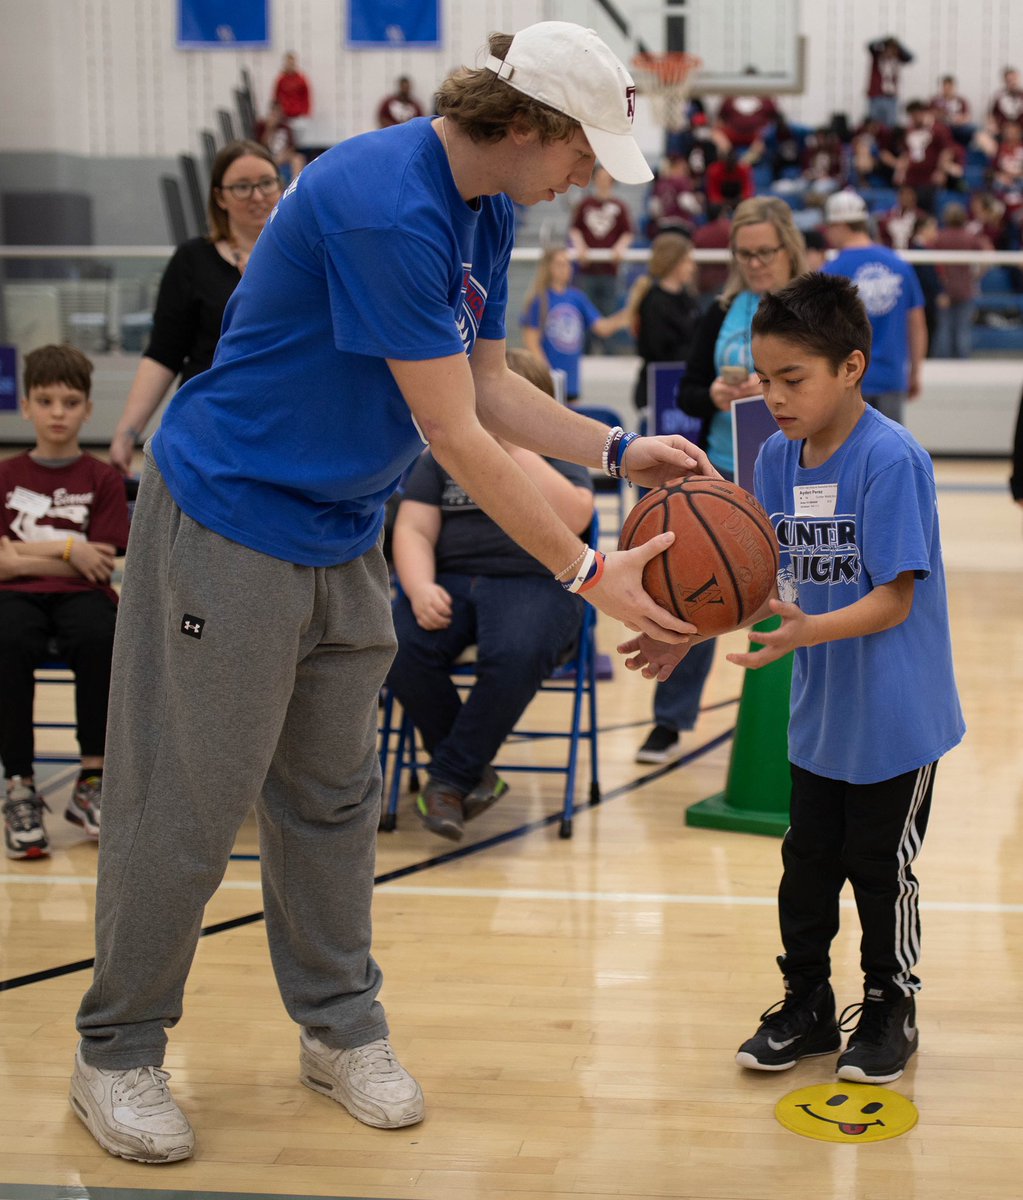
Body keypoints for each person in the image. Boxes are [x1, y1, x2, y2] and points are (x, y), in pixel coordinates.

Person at [70, 20, 716, 1166]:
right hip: (229, 516)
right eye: (580, 155)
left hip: (338, 527)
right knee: (186, 808)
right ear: (527, 127)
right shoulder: (386, 200)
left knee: (330, 799)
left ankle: (339, 1030)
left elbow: (489, 388)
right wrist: (588, 571)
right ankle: (116, 1053)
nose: (582, 182)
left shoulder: (492, 201)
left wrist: (617, 452)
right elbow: (457, 438)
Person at [622, 272, 965, 1085]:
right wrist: (685, 635)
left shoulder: (890, 458)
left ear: (850, 367)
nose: (771, 396)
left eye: (791, 380)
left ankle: (889, 1004)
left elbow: (892, 597)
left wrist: (806, 629)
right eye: (764, 378)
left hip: (896, 714)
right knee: (806, 860)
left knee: (881, 868)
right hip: (819, 711)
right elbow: (752, 581)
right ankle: (806, 1003)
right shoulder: (774, 456)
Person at [387, 349, 595, 841]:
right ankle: (465, 775)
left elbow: (577, 518)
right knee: (397, 643)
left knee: (516, 651)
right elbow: (414, 530)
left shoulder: (560, 457)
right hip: (452, 581)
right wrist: (418, 588)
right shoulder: (440, 458)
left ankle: (451, 779)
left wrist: (517, 451)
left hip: (539, 581)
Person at [636, 197, 805, 763]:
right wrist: (712, 395)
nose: (756, 263)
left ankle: (788, 731)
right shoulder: (722, 310)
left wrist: (778, 390)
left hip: (792, 469)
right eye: (745, 253)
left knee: (791, 590)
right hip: (723, 467)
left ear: (789, 249)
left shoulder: (811, 307)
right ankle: (670, 720)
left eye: (766, 252)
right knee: (697, 587)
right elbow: (686, 388)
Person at [0, 346, 130, 859]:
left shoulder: (101, 480)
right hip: (14, 599)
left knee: (101, 634)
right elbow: (4, 568)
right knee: (6, 639)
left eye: (71, 402)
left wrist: (21, 556)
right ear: (27, 405)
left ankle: (90, 782)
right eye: (46, 400)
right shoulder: (6, 476)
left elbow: (103, 564)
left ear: (88, 409)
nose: (58, 412)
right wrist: (68, 547)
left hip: (83, 596)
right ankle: (20, 787)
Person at [108, 140, 282, 474]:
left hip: (278, 422)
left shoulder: (303, 259)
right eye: (242, 187)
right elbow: (164, 353)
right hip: (208, 425)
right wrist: (126, 432)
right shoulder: (192, 260)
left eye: (266, 182)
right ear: (220, 196)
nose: (257, 196)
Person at [822, 188, 927, 425]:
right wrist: (915, 371)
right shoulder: (900, 266)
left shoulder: (831, 272)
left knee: (850, 455)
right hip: (892, 376)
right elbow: (917, 324)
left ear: (839, 225)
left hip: (848, 380)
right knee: (890, 452)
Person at [520, 247, 630, 400]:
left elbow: (602, 328)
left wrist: (628, 313)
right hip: (547, 383)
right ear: (548, 267)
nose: (566, 269)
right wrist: (549, 376)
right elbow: (532, 343)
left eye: (568, 264)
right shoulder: (540, 300)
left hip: (572, 381)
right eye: (560, 264)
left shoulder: (577, 298)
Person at [625, 232, 701, 413]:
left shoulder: (688, 299)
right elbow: (659, 351)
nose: (692, 267)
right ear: (674, 263)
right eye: (688, 261)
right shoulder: (654, 302)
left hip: (682, 387)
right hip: (658, 392)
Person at [568, 165, 635, 343]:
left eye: (607, 178)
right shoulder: (585, 204)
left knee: (608, 311)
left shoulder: (620, 206)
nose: (603, 182)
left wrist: (620, 248)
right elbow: (575, 229)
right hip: (587, 270)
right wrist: (580, 247)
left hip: (609, 271)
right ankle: (586, 350)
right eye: (600, 177)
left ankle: (606, 352)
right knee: (586, 313)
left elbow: (627, 233)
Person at [932, 203, 990, 358]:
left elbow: (934, 265)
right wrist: (976, 276)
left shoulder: (940, 237)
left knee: (945, 329)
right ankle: (962, 366)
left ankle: (943, 368)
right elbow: (988, 254)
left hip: (946, 289)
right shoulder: (969, 237)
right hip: (965, 288)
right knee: (962, 331)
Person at [865, 36, 913, 128]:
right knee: (874, 124)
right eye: (889, 49)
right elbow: (870, 46)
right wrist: (885, 40)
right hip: (876, 96)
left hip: (891, 98)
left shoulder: (897, 58)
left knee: (890, 125)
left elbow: (910, 57)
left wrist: (899, 45)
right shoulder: (877, 55)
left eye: (893, 49)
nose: (890, 52)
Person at [272, 51, 312, 144]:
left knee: (298, 141)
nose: (290, 65)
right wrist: (276, 113)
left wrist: (306, 112)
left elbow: (306, 96)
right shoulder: (281, 79)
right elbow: (276, 96)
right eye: (288, 62)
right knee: (285, 140)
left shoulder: (301, 79)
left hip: (298, 115)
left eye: (292, 62)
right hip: (284, 115)